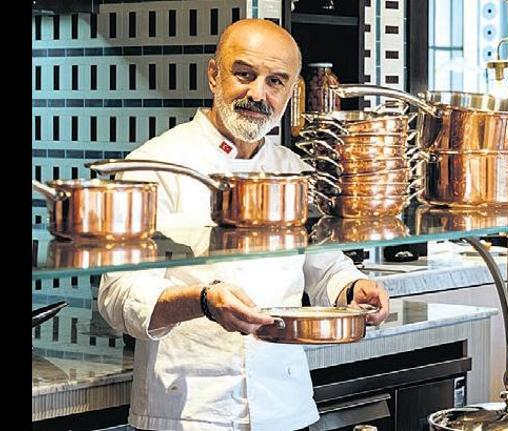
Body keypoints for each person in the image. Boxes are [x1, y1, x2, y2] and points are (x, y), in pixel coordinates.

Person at [97, 19, 390, 431]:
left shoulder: (293, 169)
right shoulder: (153, 164)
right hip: (190, 413)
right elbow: (117, 297)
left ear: (291, 92)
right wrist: (202, 301)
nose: (257, 94)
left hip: (286, 407)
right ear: (213, 75)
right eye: (244, 74)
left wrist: (352, 286)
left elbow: (324, 265)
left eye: (275, 81)